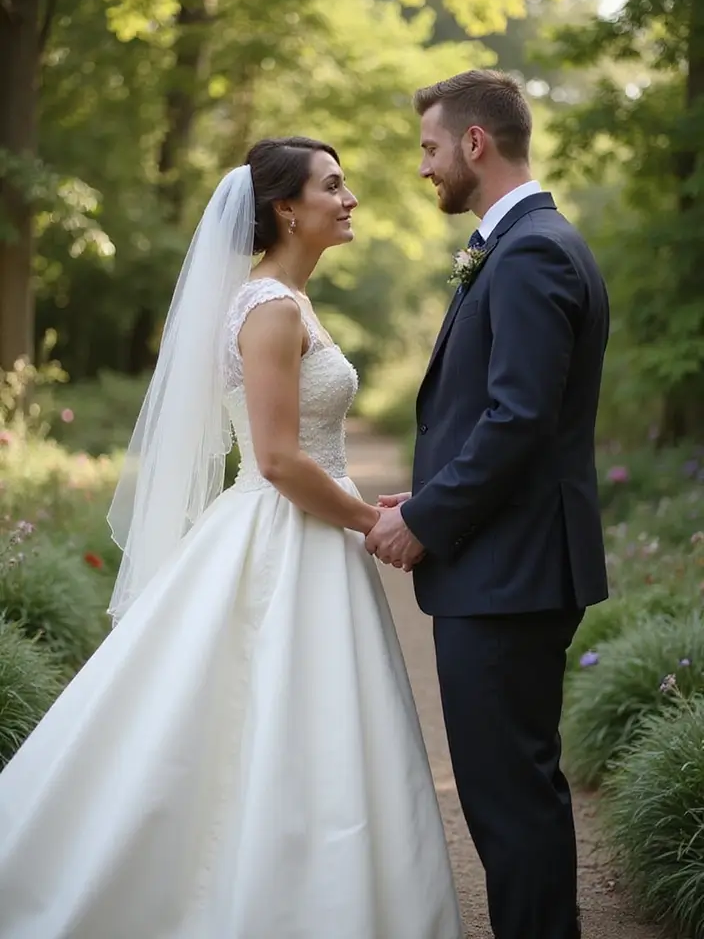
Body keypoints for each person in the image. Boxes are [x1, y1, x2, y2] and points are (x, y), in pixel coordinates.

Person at [0, 137, 463, 939]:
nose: (349, 198)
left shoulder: (290, 299)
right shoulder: (271, 308)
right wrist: (376, 522)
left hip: (309, 525)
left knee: (307, 717)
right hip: (285, 528)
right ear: (286, 209)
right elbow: (278, 459)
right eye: (332, 185)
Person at [366, 71, 610, 939]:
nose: (423, 167)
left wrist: (425, 521)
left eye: (430, 148)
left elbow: (520, 420)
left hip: (512, 574)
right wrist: (431, 492)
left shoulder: (532, 250)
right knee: (513, 791)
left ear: (475, 142)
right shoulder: (520, 243)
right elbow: (499, 415)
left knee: (509, 800)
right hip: (512, 562)